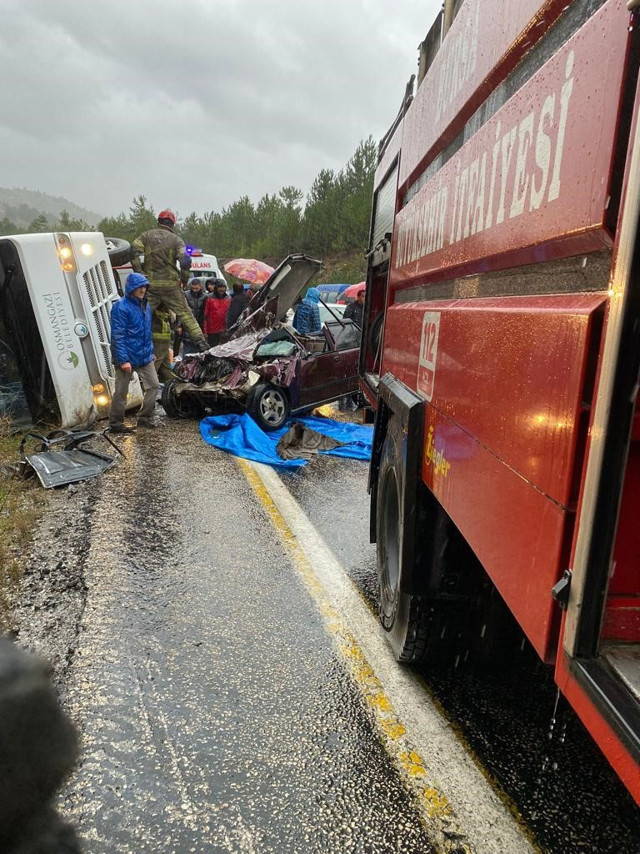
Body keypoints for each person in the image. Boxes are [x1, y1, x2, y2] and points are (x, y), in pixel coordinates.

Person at [130, 209, 208, 351]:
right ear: (172, 224)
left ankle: (132, 345)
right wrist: (184, 279)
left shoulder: (146, 236)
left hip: (150, 285)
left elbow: (133, 250)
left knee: (141, 315)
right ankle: (203, 345)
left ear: (158, 222)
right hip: (171, 285)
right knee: (186, 314)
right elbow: (185, 261)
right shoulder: (176, 239)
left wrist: (139, 273)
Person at [109, 272, 160, 432]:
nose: (143, 289)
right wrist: (123, 360)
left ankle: (144, 417)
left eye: (144, 286)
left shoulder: (146, 306)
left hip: (144, 356)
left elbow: (146, 332)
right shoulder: (120, 307)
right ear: (132, 288)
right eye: (139, 286)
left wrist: (150, 352)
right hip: (127, 357)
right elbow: (118, 335)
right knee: (121, 392)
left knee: (154, 385)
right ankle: (116, 424)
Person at [181, 278, 207, 356]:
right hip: (188, 322)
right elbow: (181, 310)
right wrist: (179, 325)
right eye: (193, 288)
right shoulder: (186, 294)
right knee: (188, 344)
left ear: (201, 287)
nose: (195, 290)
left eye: (196, 288)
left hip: (200, 322)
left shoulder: (205, 297)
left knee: (198, 346)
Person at [204, 278, 230, 346]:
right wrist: (205, 331)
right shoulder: (209, 298)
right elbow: (204, 316)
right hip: (212, 330)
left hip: (224, 330)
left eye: (223, 287)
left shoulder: (229, 298)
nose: (222, 289)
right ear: (216, 287)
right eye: (220, 287)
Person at [152, 307, 176, 382]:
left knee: (166, 367)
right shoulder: (152, 306)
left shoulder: (166, 308)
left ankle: (172, 385)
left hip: (165, 341)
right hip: (157, 343)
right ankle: (147, 387)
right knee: (154, 366)